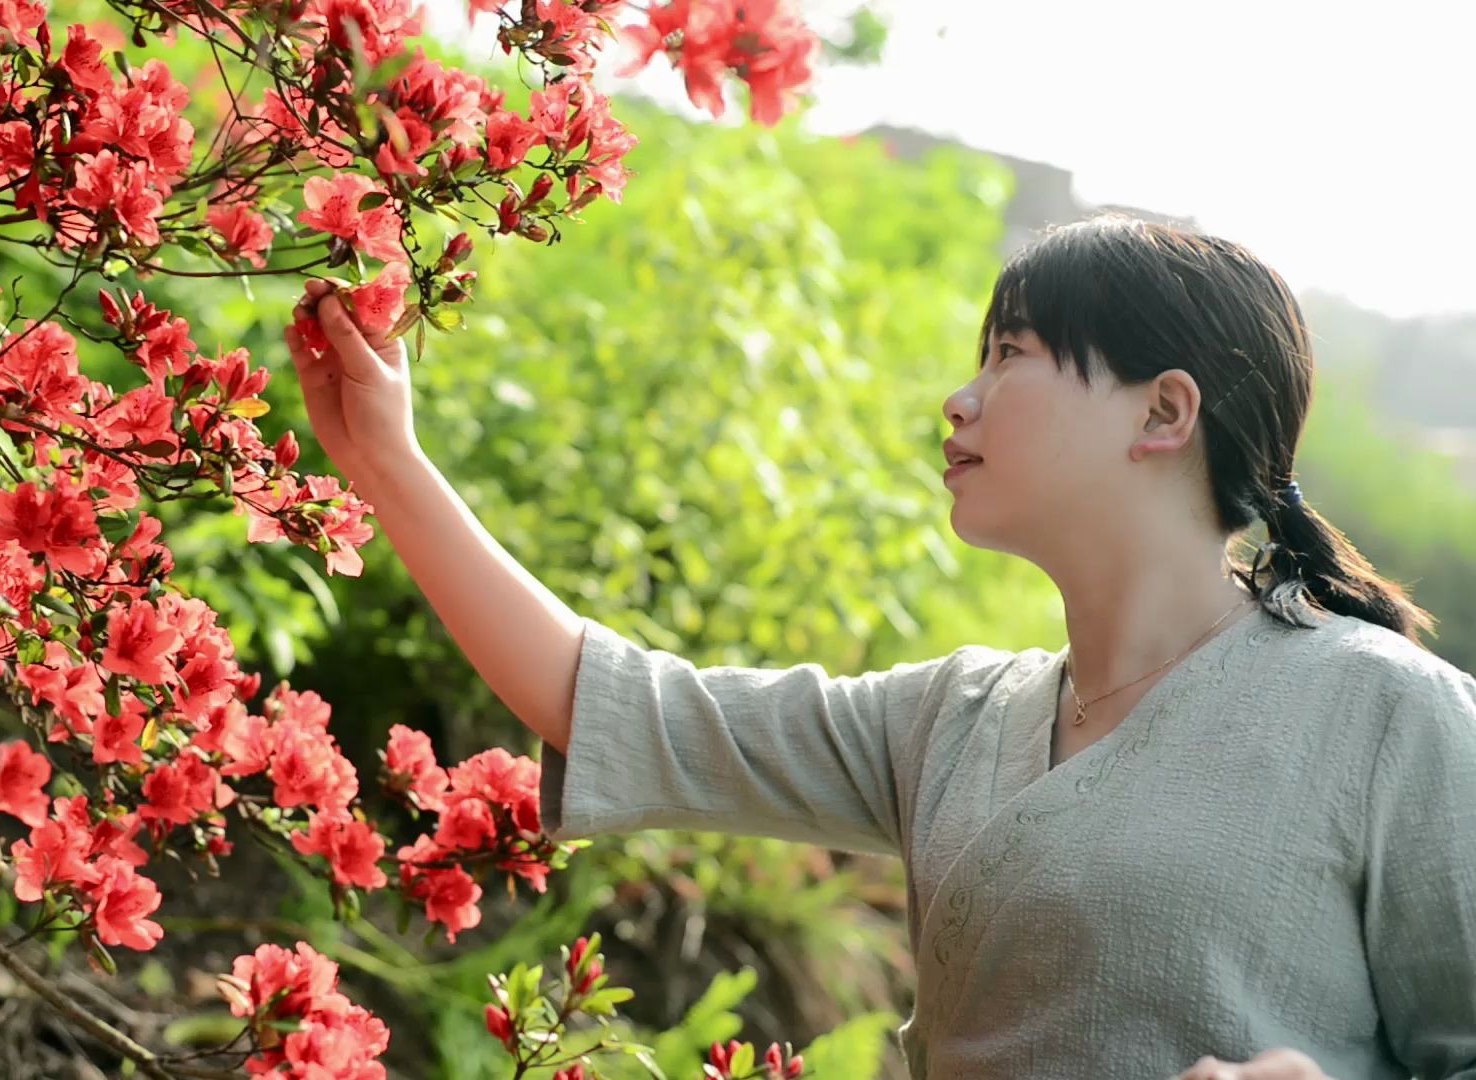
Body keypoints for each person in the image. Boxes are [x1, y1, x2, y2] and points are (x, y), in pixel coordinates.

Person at [285, 214, 1476, 1080]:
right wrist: (388, 461)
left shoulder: (1390, 716)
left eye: (1010, 353)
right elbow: (604, 699)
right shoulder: (952, 719)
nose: (958, 400)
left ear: (1164, 413)